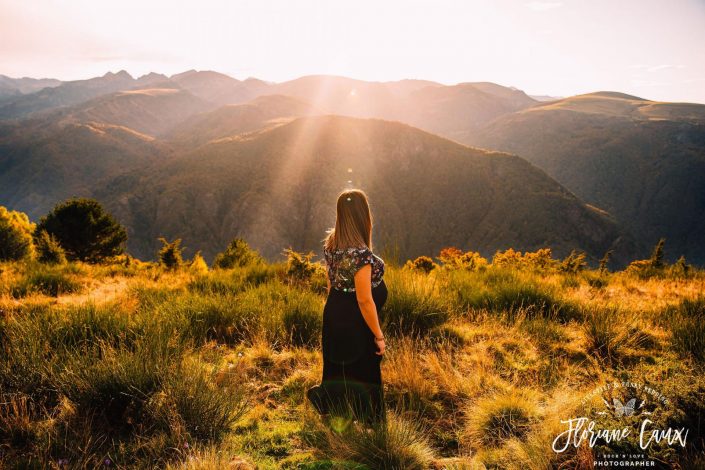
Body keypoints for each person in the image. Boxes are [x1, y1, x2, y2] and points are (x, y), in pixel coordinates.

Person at [306, 189, 388, 426]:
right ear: (364, 216)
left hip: (334, 311)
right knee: (367, 370)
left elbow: (330, 282)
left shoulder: (332, 243)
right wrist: (378, 335)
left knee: (338, 367)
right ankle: (371, 426)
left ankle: (332, 407)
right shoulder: (360, 254)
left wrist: (335, 312)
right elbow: (364, 299)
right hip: (355, 318)